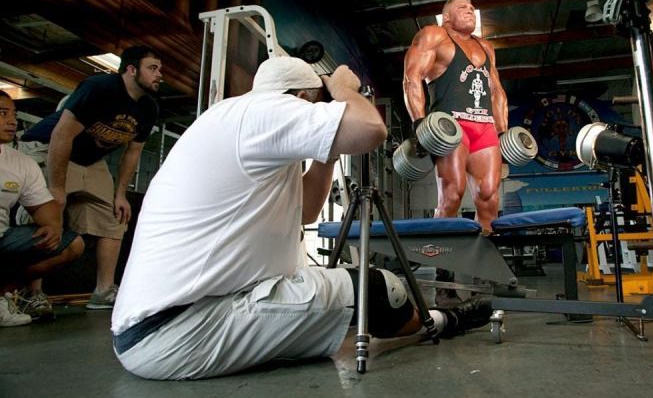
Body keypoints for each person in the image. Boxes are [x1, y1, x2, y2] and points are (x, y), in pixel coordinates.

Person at [111, 57, 492, 380]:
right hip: (184, 329)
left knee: (328, 295)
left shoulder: (237, 121)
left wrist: (327, 147)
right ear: (302, 98)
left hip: (165, 322)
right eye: (316, 104)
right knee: (379, 289)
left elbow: (308, 210)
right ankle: (444, 321)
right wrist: (343, 91)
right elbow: (371, 129)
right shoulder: (266, 111)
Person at [21, 46, 161, 310]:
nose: (159, 75)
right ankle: (31, 294)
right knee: (44, 214)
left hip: (89, 160)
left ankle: (104, 291)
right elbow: (61, 136)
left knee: (114, 216)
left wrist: (120, 194)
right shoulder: (99, 88)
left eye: (159, 69)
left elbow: (133, 153)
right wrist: (57, 188)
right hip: (47, 147)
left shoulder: (148, 108)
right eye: (152, 68)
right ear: (131, 70)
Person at [403, 0, 509, 231]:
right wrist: (419, 122)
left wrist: (502, 131)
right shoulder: (434, 35)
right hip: (451, 126)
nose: (470, 10)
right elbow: (412, 78)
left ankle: (480, 259)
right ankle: (440, 255)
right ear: (447, 17)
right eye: (463, 7)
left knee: (489, 196)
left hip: (484, 126)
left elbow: (497, 91)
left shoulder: (486, 47)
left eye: (472, 8)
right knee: (453, 193)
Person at [0, 91, 84, 326]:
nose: (11, 121)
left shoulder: (22, 163)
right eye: (2, 113)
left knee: (71, 244)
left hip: (3, 237)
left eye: (13, 114)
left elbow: (43, 206)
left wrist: (53, 225)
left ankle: (0, 296)